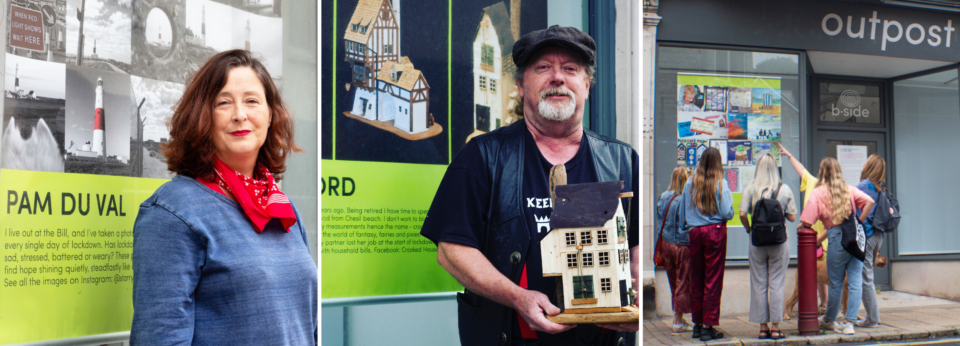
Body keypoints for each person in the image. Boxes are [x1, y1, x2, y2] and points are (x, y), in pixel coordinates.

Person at [420, 25, 639, 346]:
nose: (558, 77)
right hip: (508, 337)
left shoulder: (621, 159)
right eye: (543, 68)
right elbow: (451, 250)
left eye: (570, 69)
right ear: (522, 86)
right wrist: (517, 296)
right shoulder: (482, 156)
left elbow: (635, 246)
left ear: (587, 86)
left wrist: (631, 303)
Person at [130, 50, 317, 345]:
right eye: (223, 102)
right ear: (203, 116)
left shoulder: (282, 207)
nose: (240, 114)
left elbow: (306, 327)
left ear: (270, 116)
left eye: (252, 101)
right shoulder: (171, 213)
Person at [798, 158, 874, 335]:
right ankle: (849, 323)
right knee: (855, 280)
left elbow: (807, 222)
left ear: (822, 172)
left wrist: (801, 226)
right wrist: (858, 221)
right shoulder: (849, 190)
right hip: (854, 237)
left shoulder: (819, 193)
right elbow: (870, 202)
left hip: (836, 238)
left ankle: (830, 319)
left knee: (837, 282)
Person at [739, 154, 797, 340]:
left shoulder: (751, 187)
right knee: (776, 284)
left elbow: (741, 213)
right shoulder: (784, 189)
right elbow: (792, 217)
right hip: (779, 242)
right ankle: (776, 327)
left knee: (759, 283)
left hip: (757, 242)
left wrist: (749, 230)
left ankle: (762, 327)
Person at [681, 147, 733, 341]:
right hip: (714, 232)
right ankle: (708, 327)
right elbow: (728, 212)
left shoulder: (690, 183)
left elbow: (684, 210)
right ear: (718, 163)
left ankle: (697, 324)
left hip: (694, 232)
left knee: (697, 278)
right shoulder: (721, 183)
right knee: (713, 279)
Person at [780, 147, 829, 313]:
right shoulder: (813, 183)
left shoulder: (833, 192)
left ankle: (825, 306)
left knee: (824, 276)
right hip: (810, 241)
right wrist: (789, 155)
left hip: (825, 240)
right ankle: (819, 307)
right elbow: (801, 169)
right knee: (813, 275)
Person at [657, 167, 693, 334]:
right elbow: (687, 224)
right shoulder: (685, 199)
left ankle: (679, 318)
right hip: (682, 245)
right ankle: (677, 322)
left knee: (674, 282)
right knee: (682, 282)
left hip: (666, 244)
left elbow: (659, 220)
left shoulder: (664, 196)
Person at [855, 155, 887, 328]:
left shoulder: (863, 185)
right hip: (878, 236)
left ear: (870, 166)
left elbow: (851, 207)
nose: (864, 162)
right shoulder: (880, 187)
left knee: (865, 276)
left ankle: (872, 319)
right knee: (868, 275)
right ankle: (872, 316)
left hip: (866, 235)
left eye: (866, 161)